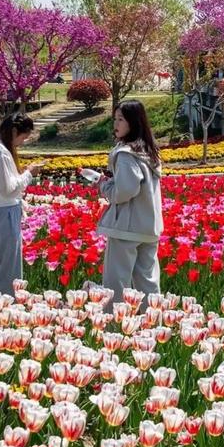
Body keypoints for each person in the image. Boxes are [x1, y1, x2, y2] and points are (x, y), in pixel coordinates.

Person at [95, 100, 163, 306]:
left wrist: (104, 186)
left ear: (133, 122)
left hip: (126, 227)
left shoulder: (126, 154)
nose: (115, 124)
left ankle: (114, 328)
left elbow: (125, 190)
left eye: (121, 119)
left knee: (116, 283)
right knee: (148, 282)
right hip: (149, 227)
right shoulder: (150, 152)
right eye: (114, 119)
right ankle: (153, 326)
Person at [0, 112, 44, 295]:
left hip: (0, 213)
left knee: (2, 267)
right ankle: (4, 306)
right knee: (8, 270)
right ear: (15, 131)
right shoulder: (0, 153)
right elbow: (8, 189)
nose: (22, 142)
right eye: (23, 137)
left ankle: (0, 304)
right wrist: (29, 173)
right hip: (5, 214)